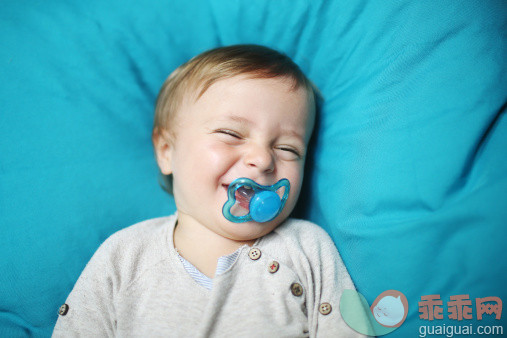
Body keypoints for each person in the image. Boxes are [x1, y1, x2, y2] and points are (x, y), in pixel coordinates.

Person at [52, 44, 365, 337]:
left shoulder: (309, 249)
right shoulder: (123, 256)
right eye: (230, 134)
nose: (262, 159)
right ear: (166, 152)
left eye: (287, 148)